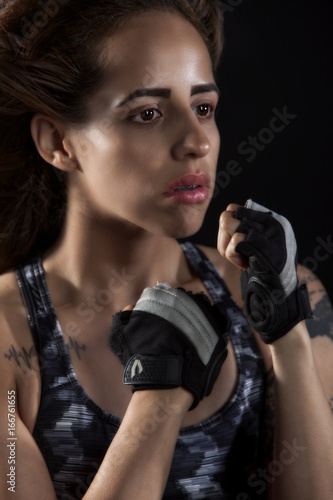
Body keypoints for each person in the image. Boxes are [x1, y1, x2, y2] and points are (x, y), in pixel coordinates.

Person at [0, 1, 332, 499]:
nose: (196, 141)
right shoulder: (10, 338)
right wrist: (158, 398)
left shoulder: (281, 291)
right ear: (58, 142)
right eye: (148, 113)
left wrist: (287, 336)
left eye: (203, 108)